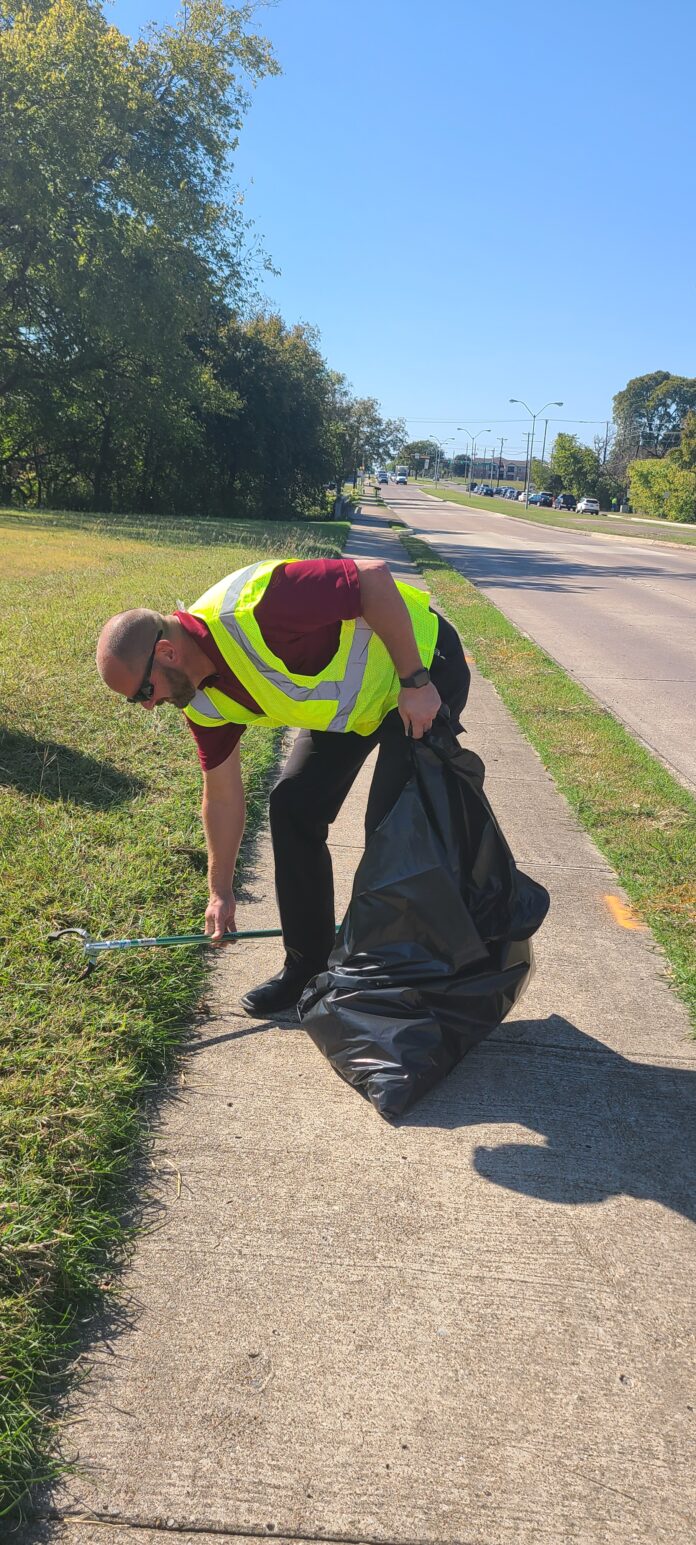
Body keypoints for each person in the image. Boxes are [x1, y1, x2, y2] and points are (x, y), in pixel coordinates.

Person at [96, 556, 471, 1016]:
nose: (148, 707)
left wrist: (415, 680)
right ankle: (307, 968)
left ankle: (396, 978)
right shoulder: (203, 701)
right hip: (355, 708)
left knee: (394, 831)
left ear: (167, 654)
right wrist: (221, 890)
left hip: (421, 670)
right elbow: (222, 796)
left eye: (141, 692)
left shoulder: (256, 608)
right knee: (293, 806)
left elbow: (372, 578)